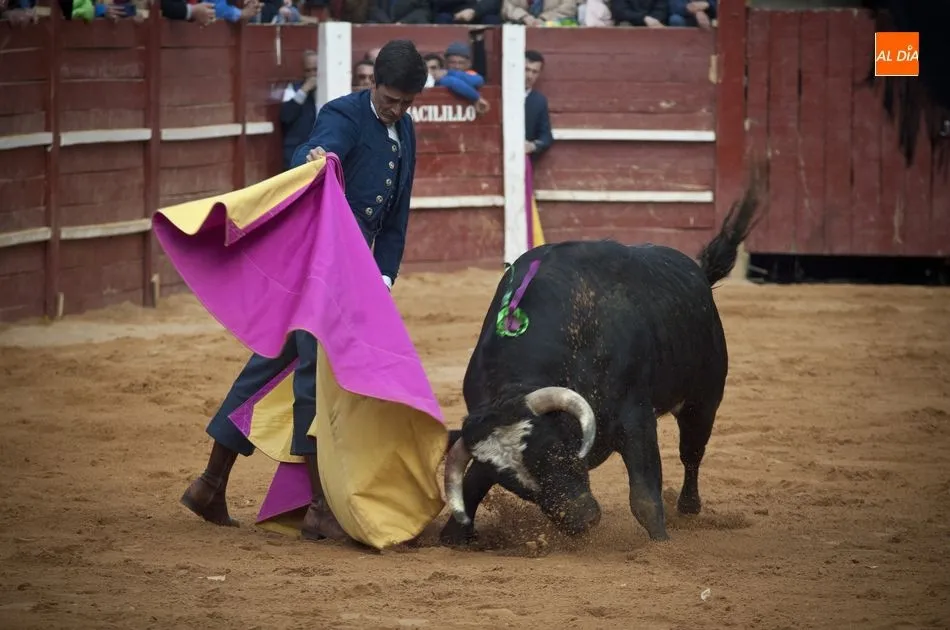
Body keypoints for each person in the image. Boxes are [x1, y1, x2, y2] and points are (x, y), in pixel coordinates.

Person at [180, 39, 430, 543]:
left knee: (268, 367)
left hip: (353, 277)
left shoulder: (405, 129)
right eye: (390, 100)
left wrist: (382, 278)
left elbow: (396, 215)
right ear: (372, 82)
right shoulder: (343, 114)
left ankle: (210, 484)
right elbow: (314, 154)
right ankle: (317, 506)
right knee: (315, 377)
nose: (397, 110)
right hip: (320, 270)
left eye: (406, 103)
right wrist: (314, 158)